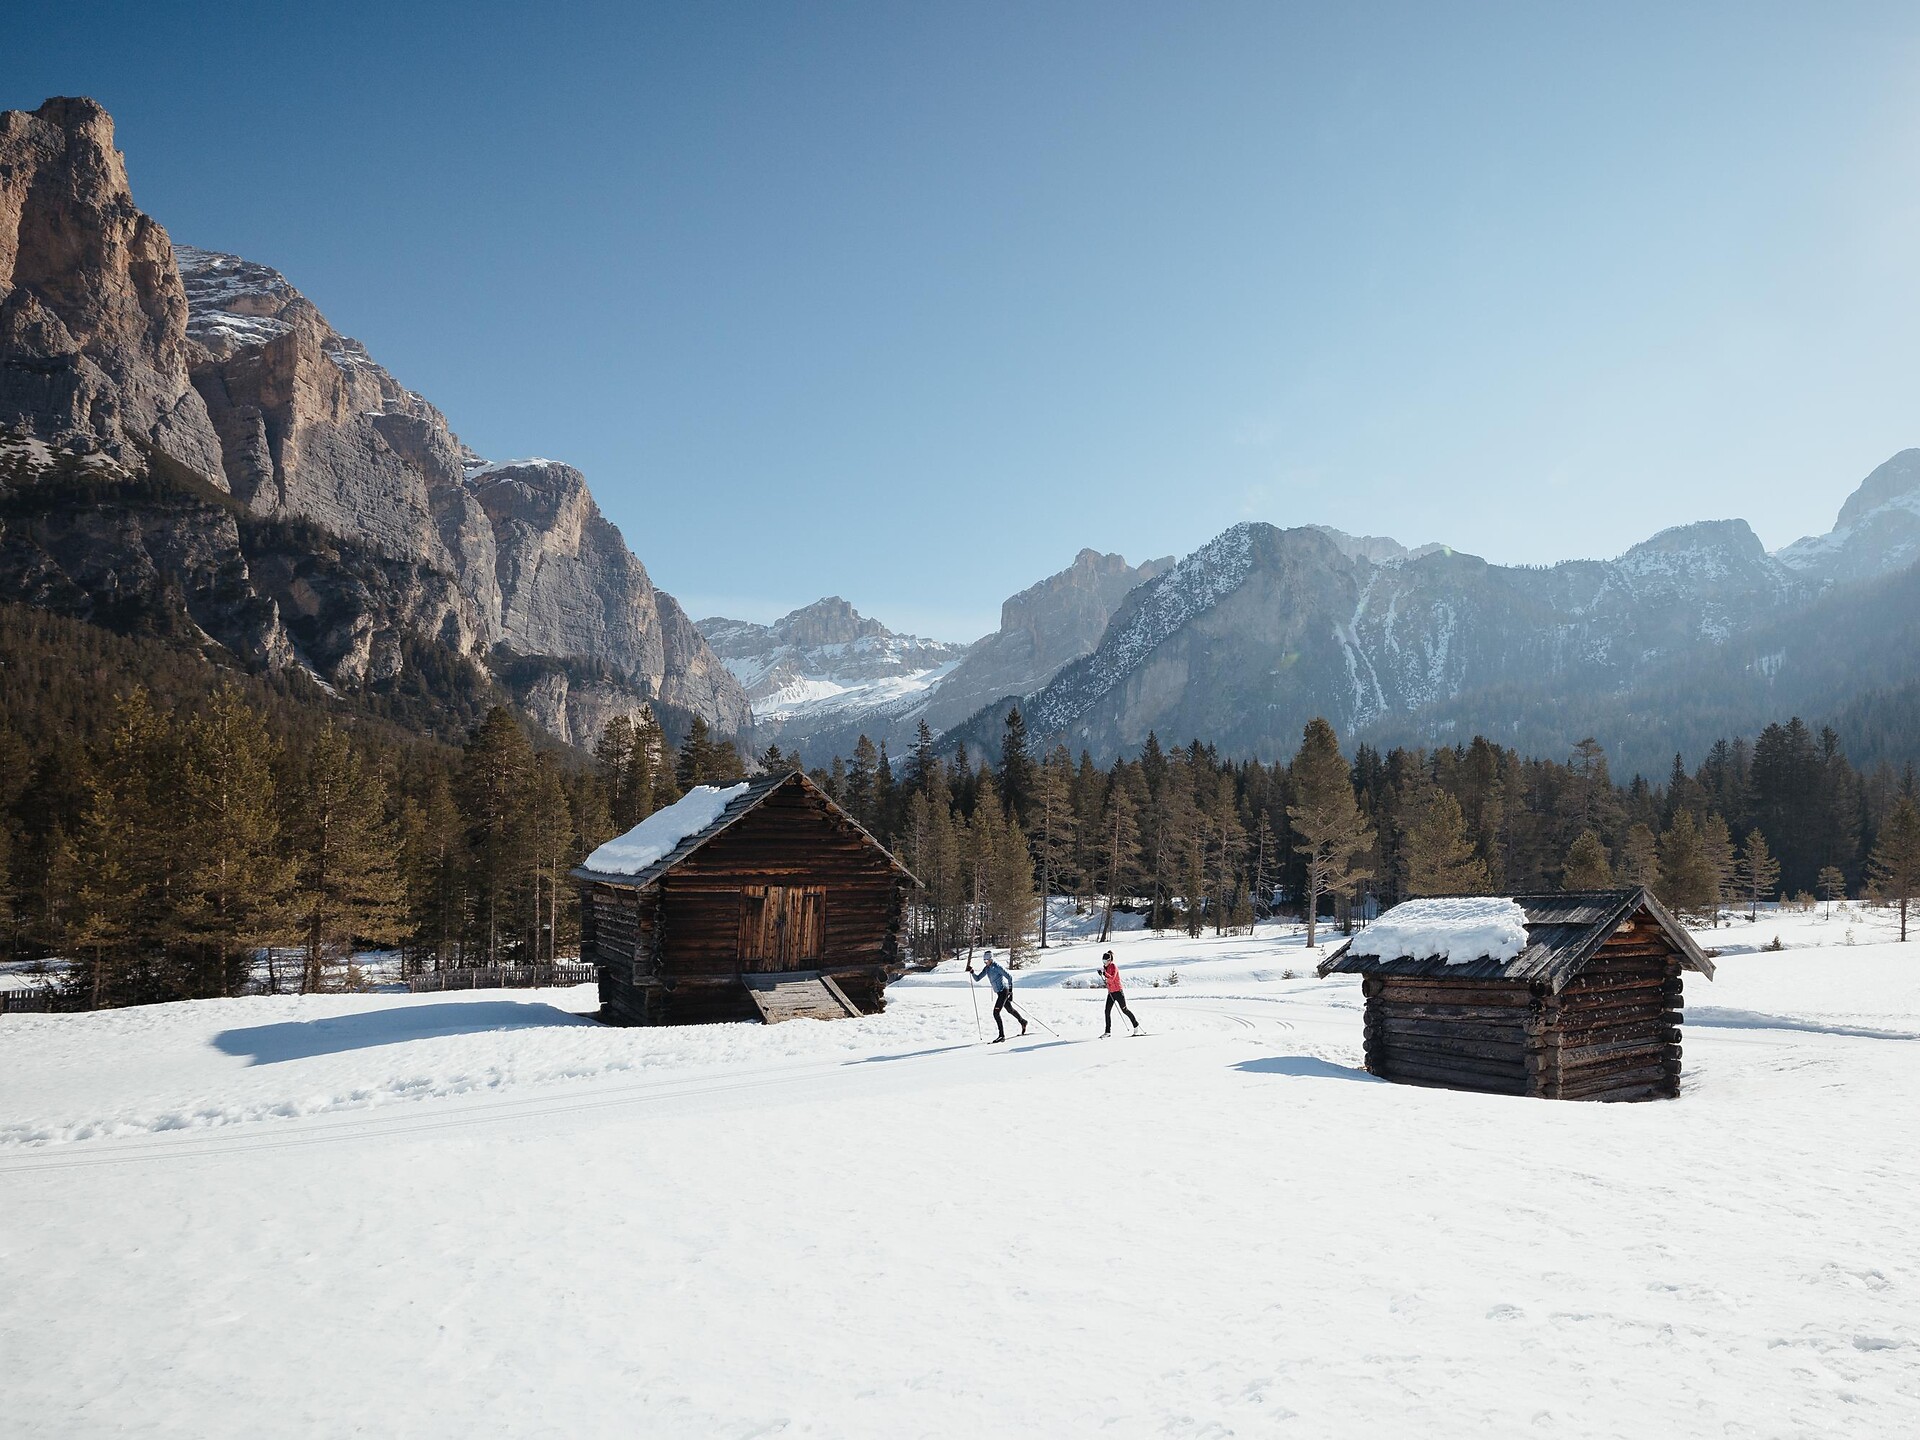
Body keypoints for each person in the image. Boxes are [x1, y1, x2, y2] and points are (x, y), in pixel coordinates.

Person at [966, 949, 1027, 1043]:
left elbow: (1009, 977)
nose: (986, 962)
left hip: (1004, 991)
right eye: (984, 961)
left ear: (991, 959)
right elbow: (977, 978)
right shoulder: (986, 969)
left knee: (996, 1013)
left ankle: (1001, 1036)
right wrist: (972, 971)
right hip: (999, 993)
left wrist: (1011, 992)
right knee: (1010, 1010)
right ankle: (1023, 1021)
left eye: (987, 960)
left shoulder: (997, 967)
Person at [1098, 950, 1140, 1037]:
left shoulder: (1113, 966)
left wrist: (1104, 974)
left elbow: (1112, 978)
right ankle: (1107, 1032)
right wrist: (1102, 975)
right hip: (1111, 992)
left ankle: (1136, 1025)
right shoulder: (1105, 968)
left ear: (1109, 960)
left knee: (1125, 1010)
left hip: (1118, 992)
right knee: (1107, 1011)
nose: (1104, 963)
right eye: (1103, 961)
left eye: (1105, 961)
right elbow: (1107, 980)